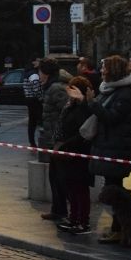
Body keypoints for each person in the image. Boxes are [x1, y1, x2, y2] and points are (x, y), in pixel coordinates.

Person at [88, 55, 131, 244]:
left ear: (114, 71)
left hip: (117, 148)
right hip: (108, 145)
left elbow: (111, 118)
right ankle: (117, 228)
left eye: (105, 69)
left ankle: (121, 229)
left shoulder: (125, 94)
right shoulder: (109, 90)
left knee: (116, 191)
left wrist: (92, 103)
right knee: (113, 188)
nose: (101, 71)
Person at [55, 76, 95, 235]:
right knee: (71, 187)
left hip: (79, 152)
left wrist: (67, 144)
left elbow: (84, 131)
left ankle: (83, 222)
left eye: (72, 89)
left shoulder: (84, 109)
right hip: (68, 151)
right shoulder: (70, 106)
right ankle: (73, 219)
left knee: (80, 189)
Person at [36, 58, 69, 223]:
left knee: (59, 177)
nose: (38, 75)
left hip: (59, 140)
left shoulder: (56, 88)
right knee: (54, 176)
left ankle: (61, 210)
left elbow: (66, 112)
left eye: (40, 71)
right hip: (52, 139)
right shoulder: (50, 87)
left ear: (46, 73)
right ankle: (57, 209)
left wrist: (59, 137)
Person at [23, 56, 43, 148]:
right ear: (33, 62)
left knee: (32, 121)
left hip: (28, 99)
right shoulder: (34, 74)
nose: (40, 62)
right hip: (34, 100)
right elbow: (36, 87)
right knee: (40, 120)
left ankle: (32, 142)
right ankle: (42, 141)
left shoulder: (27, 73)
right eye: (38, 61)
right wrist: (40, 97)